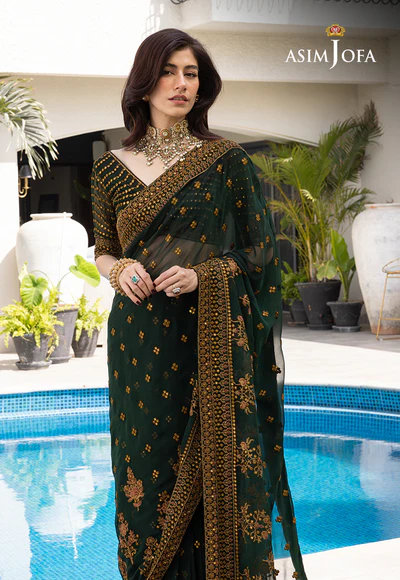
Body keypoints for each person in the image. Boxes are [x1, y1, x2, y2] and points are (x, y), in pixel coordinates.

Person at [91, 28, 308, 580]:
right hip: (138, 340)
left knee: (216, 465)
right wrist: (117, 269)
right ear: (144, 83)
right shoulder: (109, 167)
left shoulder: (225, 160)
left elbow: (262, 251)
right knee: (145, 465)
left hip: (206, 335)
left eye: (190, 73)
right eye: (168, 72)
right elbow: (104, 248)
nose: (181, 83)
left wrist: (204, 274)